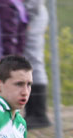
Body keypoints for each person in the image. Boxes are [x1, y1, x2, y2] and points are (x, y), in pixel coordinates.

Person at [23, 0, 51, 128]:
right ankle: (30, 113)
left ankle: (39, 115)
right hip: (26, 14)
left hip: (32, 15)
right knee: (26, 61)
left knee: (34, 60)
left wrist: (28, 15)